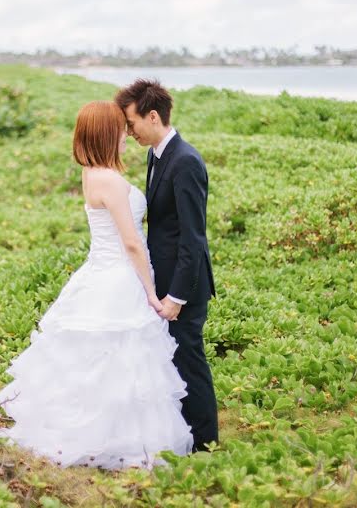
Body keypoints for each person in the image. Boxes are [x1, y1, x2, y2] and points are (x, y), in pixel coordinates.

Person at [0, 100, 193, 469]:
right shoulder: (110, 180)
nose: (125, 136)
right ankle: (112, 439)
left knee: (94, 363)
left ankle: (94, 434)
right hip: (118, 276)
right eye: (119, 129)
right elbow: (131, 242)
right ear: (105, 133)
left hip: (99, 271)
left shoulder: (90, 173)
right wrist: (150, 291)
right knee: (120, 362)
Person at [115, 79, 218, 452]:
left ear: (153, 116)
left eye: (132, 123)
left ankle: (207, 443)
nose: (129, 132)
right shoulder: (156, 155)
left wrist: (176, 296)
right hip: (164, 279)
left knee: (190, 361)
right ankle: (182, 437)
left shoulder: (186, 161)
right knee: (172, 362)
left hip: (184, 285)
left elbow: (193, 238)